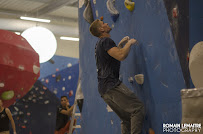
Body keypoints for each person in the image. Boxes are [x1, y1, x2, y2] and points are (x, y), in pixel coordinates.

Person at [89, 19, 145, 134]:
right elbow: (120, 55)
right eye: (104, 24)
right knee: (137, 109)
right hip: (112, 85)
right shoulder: (106, 40)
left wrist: (120, 45)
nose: (107, 24)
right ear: (101, 29)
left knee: (126, 119)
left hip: (104, 90)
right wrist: (129, 43)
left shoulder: (100, 44)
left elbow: (111, 57)